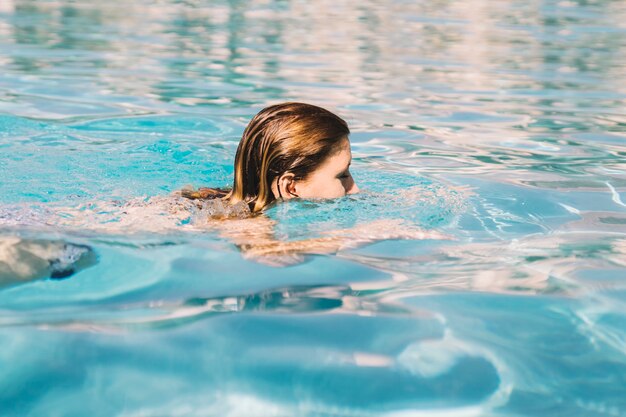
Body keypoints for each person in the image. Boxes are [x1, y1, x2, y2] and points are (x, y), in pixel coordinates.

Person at [0, 102, 448, 286]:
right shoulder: (250, 221)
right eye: (344, 176)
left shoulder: (217, 198)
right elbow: (269, 258)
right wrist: (365, 239)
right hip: (41, 239)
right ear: (290, 186)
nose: (355, 187)